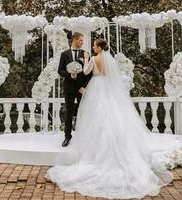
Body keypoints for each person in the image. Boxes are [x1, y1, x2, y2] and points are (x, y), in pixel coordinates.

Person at [46, 38, 173, 199]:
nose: (92, 47)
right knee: (111, 114)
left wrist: (86, 60)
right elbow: (109, 74)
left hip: (96, 87)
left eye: (94, 45)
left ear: (99, 48)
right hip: (106, 87)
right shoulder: (109, 58)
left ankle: (97, 147)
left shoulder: (93, 58)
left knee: (96, 116)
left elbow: (85, 72)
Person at [58, 32, 92, 147]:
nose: (82, 42)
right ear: (75, 40)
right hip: (69, 88)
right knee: (69, 113)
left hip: (81, 88)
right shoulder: (64, 54)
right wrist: (69, 74)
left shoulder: (86, 54)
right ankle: (67, 137)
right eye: (81, 40)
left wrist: (84, 87)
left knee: (84, 112)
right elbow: (60, 70)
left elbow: (90, 73)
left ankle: (85, 137)